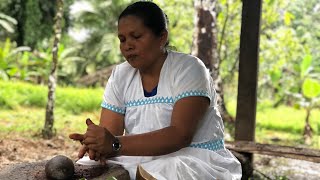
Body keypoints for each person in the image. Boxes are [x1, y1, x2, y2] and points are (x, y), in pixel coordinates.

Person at [69, 1, 242, 179]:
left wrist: (113, 144)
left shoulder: (189, 69)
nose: (127, 45)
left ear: (162, 37)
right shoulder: (121, 75)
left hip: (192, 159)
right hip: (135, 157)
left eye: (136, 37)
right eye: (122, 40)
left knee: (167, 169)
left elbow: (180, 135)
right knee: (85, 166)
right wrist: (97, 144)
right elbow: (110, 135)